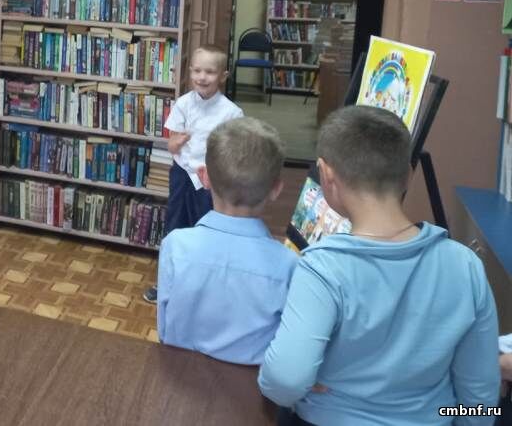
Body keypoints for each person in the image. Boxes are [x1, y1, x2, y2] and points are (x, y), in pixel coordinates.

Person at [259, 106, 500, 425]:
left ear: (326, 175)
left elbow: (285, 381)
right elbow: (481, 400)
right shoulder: (465, 265)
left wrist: (291, 387)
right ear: (409, 175)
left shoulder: (322, 268)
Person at [157, 117, 295, 363]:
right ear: (276, 189)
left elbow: (164, 331)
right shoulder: (289, 264)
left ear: (204, 177)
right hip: (250, 384)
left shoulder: (175, 245)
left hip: (178, 374)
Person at [144, 44, 243, 303]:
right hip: (182, 174)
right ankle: (167, 282)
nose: (202, 77)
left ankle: (204, 284)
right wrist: (175, 143)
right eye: (197, 71)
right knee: (175, 225)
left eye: (210, 72)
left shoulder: (231, 112)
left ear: (223, 76)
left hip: (211, 179)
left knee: (206, 227)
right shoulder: (184, 103)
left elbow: (234, 150)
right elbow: (172, 143)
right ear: (190, 72)